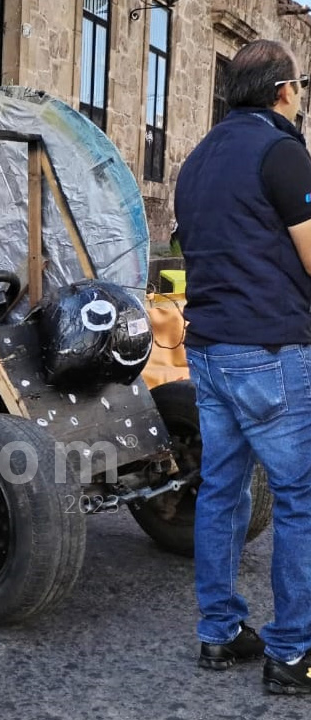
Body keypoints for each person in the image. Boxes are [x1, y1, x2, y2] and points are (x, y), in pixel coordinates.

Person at [174, 39, 311, 695]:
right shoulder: (281, 152)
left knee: (222, 490)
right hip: (269, 352)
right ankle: (294, 653)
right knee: (299, 500)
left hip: (209, 351)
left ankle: (219, 631)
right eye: (300, 87)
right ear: (283, 90)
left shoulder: (198, 160)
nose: (301, 98)